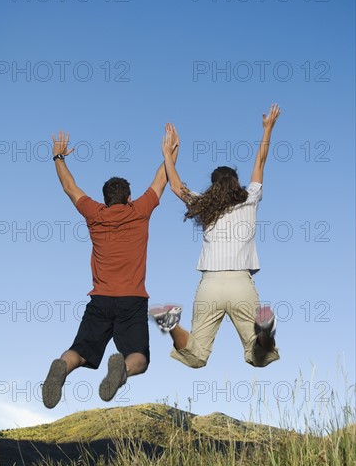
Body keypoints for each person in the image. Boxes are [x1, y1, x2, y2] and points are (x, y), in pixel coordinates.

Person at [42, 126, 179, 408]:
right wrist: (170, 153)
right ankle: (123, 371)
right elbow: (162, 179)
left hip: (100, 299)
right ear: (128, 197)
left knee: (80, 350)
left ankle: (62, 366)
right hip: (132, 299)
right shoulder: (139, 210)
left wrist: (58, 157)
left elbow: (70, 187)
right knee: (139, 356)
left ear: (105, 199)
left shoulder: (95, 214)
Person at [150, 104, 281, 369]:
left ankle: (172, 325)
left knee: (196, 355)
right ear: (236, 182)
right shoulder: (250, 200)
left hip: (209, 284)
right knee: (259, 356)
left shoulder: (203, 205)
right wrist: (268, 128)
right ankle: (264, 335)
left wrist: (168, 154)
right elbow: (260, 161)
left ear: (212, 186)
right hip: (240, 283)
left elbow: (175, 186)